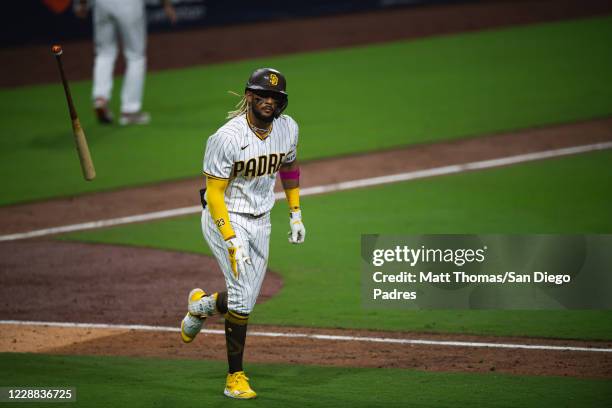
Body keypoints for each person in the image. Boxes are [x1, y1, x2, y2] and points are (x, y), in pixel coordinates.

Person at [180, 68, 306, 399]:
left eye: (275, 97)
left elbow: (290, 168)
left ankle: (201, 306)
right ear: (249, 96)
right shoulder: (227, 138)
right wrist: (231, 238)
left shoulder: (288, 129)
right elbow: (215, 193)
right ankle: (234, 377)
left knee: (246, 298)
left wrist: (296, 214)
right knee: (241, 299)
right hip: (225, 217)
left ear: (282, 102)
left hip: (262, 220)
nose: (269, 101)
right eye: (263, 95)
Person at [74, 0, 176, 125]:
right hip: (128, 4)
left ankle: (100, 98)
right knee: (136, 56)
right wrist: (166, 4)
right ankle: (130, 111)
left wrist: (83, 4)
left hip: (102, 4)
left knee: (104, 53)